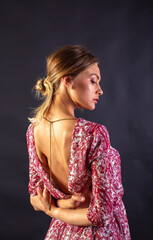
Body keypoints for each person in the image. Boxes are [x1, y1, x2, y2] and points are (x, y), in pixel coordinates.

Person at [26, 45, 131, 239]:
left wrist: (60, 205)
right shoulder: (93, 133)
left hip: (60, 232)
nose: (100, 90)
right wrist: (54, 211)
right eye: (93, 81)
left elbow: (37, 199)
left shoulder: (34, 131)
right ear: (68, 80)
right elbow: (100, 214)